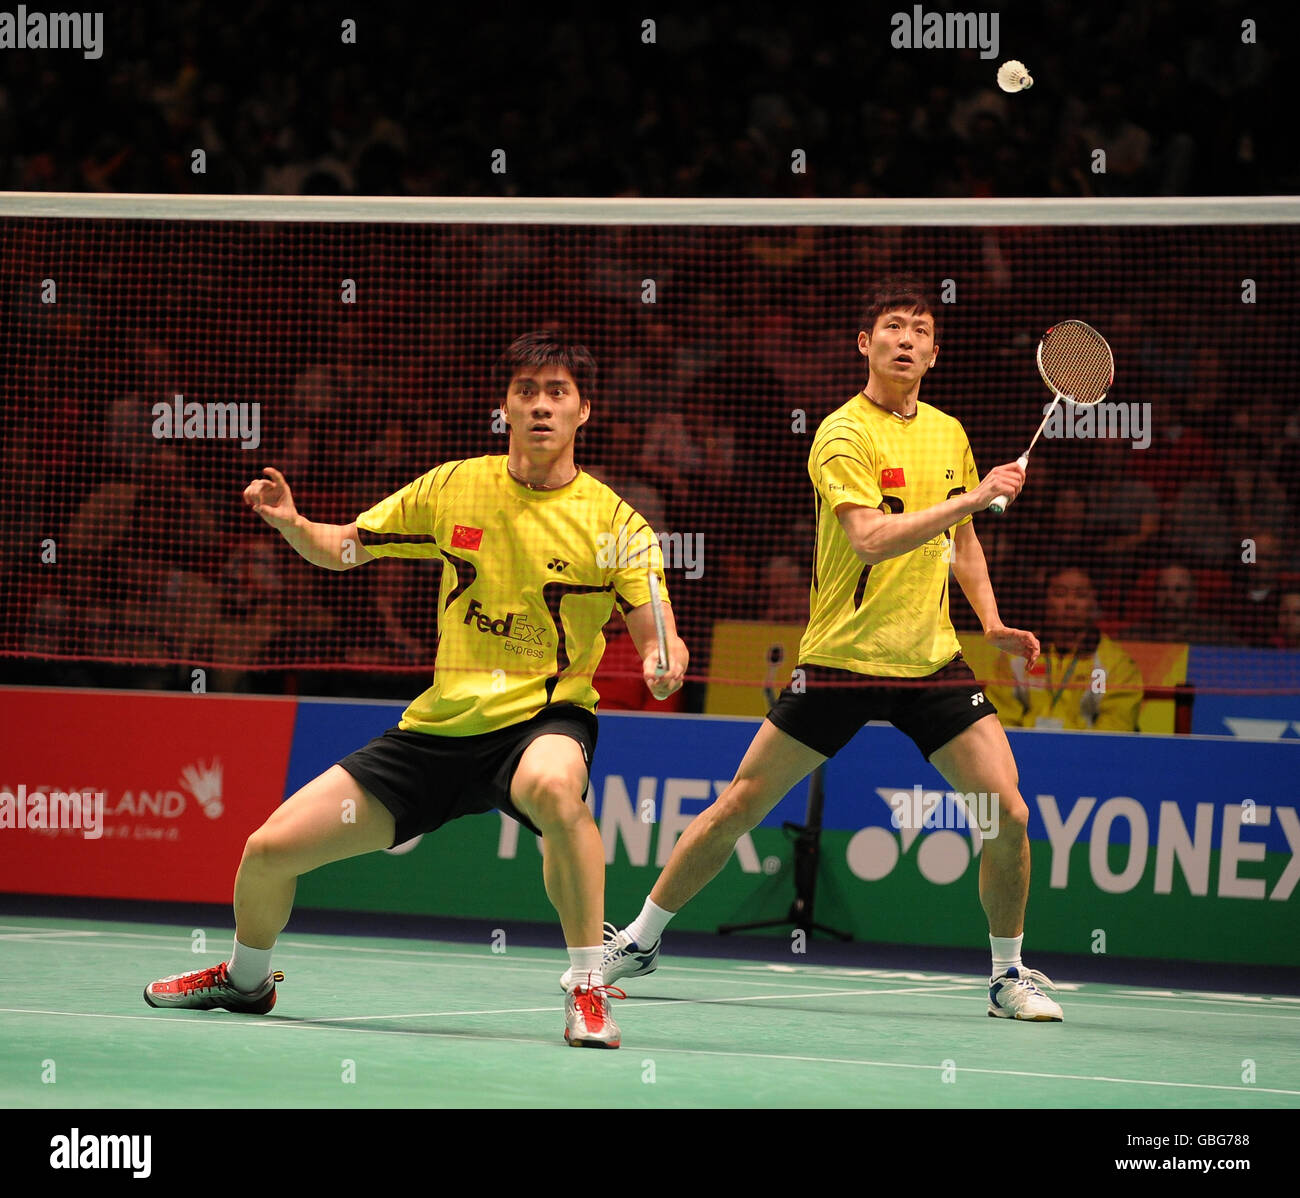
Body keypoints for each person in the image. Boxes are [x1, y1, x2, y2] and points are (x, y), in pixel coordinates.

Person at [144, 331, 688, 1049]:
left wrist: (662, 659)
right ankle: (246, 982)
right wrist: (293, 524)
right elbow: (345, 548)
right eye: (526, 391)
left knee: (558, 790)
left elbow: (660, 634)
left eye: (558, 392)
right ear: (505, 407)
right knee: (268, 849)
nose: (541, 406)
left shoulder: (618, 524)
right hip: (435, 733)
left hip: (542, 720)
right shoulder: (453, 486)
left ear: (585, 411)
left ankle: (588, 988)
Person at [568, 279, 1064, 1021]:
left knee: (1010, 814)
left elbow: (964, 543)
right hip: (839, 660)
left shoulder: (949, 433)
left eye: (919, 329)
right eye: (891, 327)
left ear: (934, 350)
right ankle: (640, 938)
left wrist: (988, 623)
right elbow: (869, 538)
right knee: (741, 803)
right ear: (865, 344)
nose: (905, 338)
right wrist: (972, 496)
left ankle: (1006, 974)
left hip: (930, 662)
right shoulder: (841, 433)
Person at [986, 566, 1143, 731]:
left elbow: (1115, 728)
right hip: (1022, 751)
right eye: (1060, 594)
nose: (1070, 603)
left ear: (1094, 601)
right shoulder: (1016, 655)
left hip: (1086, 753)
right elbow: (1000, 718)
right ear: (1045, 599)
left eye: (1080, 595)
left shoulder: (1117, 664)